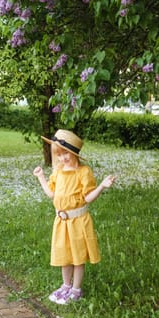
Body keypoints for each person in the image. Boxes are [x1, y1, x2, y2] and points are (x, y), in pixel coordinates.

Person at [33, 129, 116, 305]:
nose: (63, 158)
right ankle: (65, 285)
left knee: (78, 256)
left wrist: (101, 186)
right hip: (61, 222)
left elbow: (87, 198)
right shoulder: (59, 171)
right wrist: (40, 177)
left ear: (74, 154)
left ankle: (76, 288)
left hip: (78, 221)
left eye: (66, 154)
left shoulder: (83, 172)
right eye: (59, 154)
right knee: (64, 254)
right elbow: (51, 194)